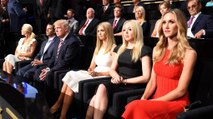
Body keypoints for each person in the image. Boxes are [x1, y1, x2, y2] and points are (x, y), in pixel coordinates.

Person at [122, 9, 197, 119]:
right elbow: (152, 82)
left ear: (180, 25)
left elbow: (181, 90)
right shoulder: (157, 49)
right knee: (136, 105)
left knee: (136, 107)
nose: (166, 26)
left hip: (176, 103)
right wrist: (143, 99)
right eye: (164, 22)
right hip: (157, 100)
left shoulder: (189, 54)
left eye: (171, 22)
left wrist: (152, 102)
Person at [85, 20, 152, 119]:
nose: (126, 32)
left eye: (130, 29)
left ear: (137, 31)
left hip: (133, 84)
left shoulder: (144, 50)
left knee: (96, 97)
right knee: (100, 89)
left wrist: (124, 81)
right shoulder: (120, 48)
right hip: (119, 81)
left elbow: (146, 77)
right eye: (124, 30)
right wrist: (116, 77)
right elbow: (112, 70)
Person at [50, 22, 116, 119]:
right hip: (94, 73)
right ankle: (62, 113)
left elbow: (114, 71)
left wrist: (97, 73)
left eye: (102, 31)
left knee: (72, 77)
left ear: (108, 31)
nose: (99, 33)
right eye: (98, 31)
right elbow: (92, 66)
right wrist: (90, 70)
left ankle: (59, 107)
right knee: (70, 74)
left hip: (104, 75)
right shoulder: (98, 47)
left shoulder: (114, 48)